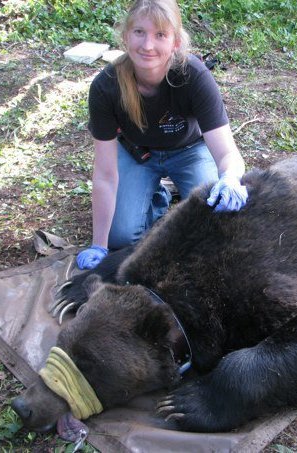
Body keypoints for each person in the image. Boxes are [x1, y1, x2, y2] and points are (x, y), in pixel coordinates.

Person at [76, 0, 248, 270]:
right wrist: (100, 243)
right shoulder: (105, 87)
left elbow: (227, 152)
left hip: (190, 151)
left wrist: (229, 178)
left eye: (160, 35)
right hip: (137, 154)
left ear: (176, 42)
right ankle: (159, 196)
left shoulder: (193, 75)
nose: (147, 45)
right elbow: (105, 175)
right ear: (125, 36)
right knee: (121, 237)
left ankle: (170, 187)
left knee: (210, 224)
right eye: (139, 32)